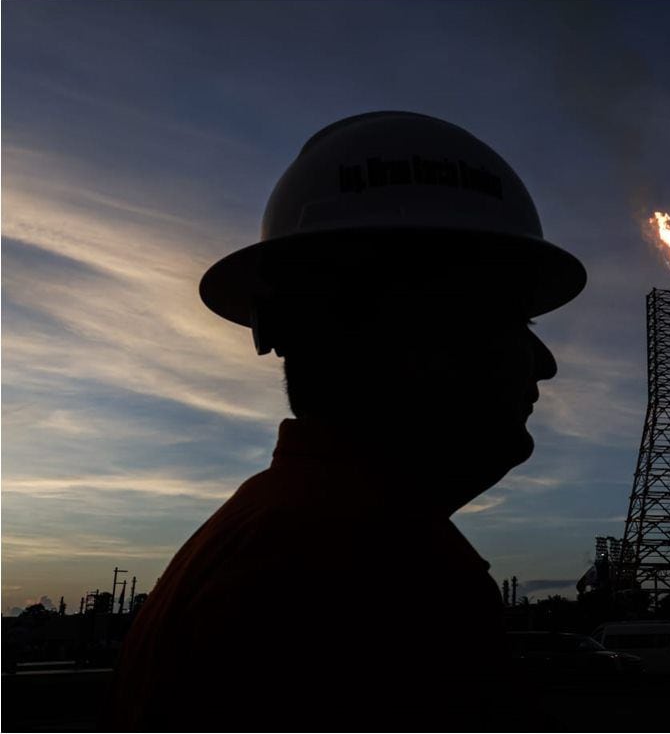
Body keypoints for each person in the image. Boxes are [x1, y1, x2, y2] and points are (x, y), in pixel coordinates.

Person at [109, 112, 586, 730]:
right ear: (413, 328)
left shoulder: (274, 537)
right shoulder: (372, 578)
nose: (544, 365)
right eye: (517, 320)